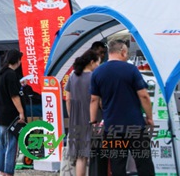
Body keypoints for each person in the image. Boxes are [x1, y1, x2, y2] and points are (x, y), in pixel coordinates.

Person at [90, 38, 155, 176]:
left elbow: (94, 99)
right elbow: (144, 96)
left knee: (117, 164)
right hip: (135, 126)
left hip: (112, 128)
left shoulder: (97, 72)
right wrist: (149, 118)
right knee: (143, 162)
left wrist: (93, 121)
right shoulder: (131, 70)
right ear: (123, 52)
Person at [65, 50, 100, 176]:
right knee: (94, 154)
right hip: (91, 117)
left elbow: (67, 98)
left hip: (76, 118)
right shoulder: (94, 77)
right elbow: (96, 99)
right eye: (97, 63)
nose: (98, 66)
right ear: (91, 62)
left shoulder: (73, 76)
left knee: (81, 156)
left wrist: (71, 115)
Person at [0, 49, 25, 176]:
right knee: (11, 145)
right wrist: (21, 112)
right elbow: (14, 96)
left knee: (3, 145)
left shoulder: (0, 74)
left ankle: (2, 170)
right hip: (10, 116)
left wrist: (20, 85)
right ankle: (8, 172)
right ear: (17, 60)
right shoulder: (11, 74)